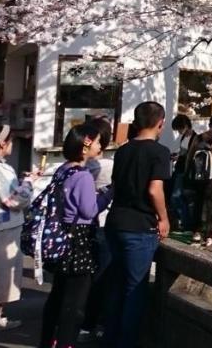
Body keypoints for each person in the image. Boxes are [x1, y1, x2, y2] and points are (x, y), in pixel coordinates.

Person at [103, 101, 170, 348]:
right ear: (160, 123)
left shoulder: (123, 150)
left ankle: (109, 338)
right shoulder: (159, 152)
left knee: (117, 286)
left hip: (115, 222)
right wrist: (164, 218)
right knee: (134, 290)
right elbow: (155, 190)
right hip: (139, 227)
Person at [40, 122, 109, 348]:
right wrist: (106, 195)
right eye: (97, 141)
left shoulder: (63, 169)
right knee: (75, 302)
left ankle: (48, 339)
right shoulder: (84, 176)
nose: (100, 145)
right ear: (85, 147)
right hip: (79, 238)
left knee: (58, 294)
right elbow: (89, 210)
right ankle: (66, 342)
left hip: (60, 236)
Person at [0, 124, 35, 333]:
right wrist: (28, 182)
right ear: (3, 144)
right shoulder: (0, 169)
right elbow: (14, 200)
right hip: (2, 229)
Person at [82, 117, 115, 342]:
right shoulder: (109, 166)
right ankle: (97, 323)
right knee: (102, 276)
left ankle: (83, 322)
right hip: (103, 222)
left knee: (86, 275)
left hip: (84, 226)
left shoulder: (81, 166)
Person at [186, 114, 212, 239]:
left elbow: (190, 155)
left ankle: (196, 231)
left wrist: (188, 172)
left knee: (198, 202)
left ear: (209, 124)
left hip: (198, 176)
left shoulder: (198, 137)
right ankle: (209, 234)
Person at [168, 114, 195, 231]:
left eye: (179, 128)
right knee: (177, 197)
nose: (179, 132)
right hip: (179, 168)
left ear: (185, 126)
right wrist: (177, 156)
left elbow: (190, 155)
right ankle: (183, 222)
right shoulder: (184, 137)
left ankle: (186, 222)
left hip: (185, 170)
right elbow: (183, 152)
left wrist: (180, 157)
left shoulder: (195, 138)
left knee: (176, 196)